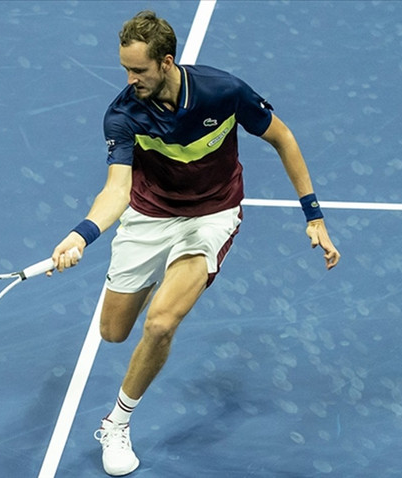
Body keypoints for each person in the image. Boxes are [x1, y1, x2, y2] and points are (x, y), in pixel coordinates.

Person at [48, 10, 340, 476]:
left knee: (161, 323)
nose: (130, 79)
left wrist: (313, 214)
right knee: (113, 332)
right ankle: (154, 280)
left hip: (211, 215)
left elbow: (282, 137)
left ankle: (117, 422)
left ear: (166, 62)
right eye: (125, 69)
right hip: (148, 216)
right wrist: (82, 235)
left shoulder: (223, 92)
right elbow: (117, 190)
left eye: (138, 70)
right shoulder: (124, 114)